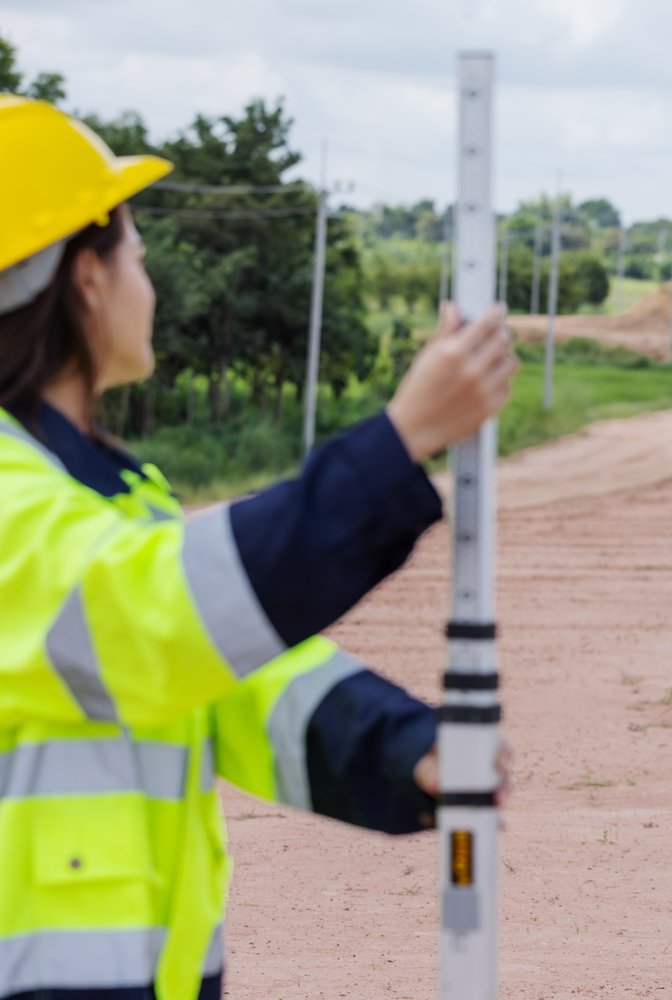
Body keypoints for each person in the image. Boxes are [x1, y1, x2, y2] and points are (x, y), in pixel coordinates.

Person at [0, 96, 519, 1000]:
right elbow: (156, 621)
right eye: (140, 255)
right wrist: (394, 444)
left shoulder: (98, 494)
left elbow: (226, 679)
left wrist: (402, 748)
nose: (147, 283)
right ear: (86, 275)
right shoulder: (16, 499)